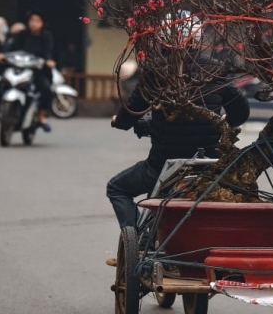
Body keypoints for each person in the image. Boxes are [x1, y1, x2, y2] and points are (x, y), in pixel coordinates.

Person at [106, 58, 251, 229]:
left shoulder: (158, 71)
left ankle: (138, 238)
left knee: (117, 188)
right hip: (208, 164)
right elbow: (241, 111)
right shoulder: (215, 68)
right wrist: (224, 121)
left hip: (162, 166)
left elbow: (131, 112)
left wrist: (119, 121)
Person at [5, 11, 56, 131]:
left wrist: (48, 60)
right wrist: (2, 55)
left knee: (46, 89)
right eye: (32, 20)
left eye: (37, 21)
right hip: (19, 68)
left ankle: (41, 116)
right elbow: (11, 48)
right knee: (2, 82)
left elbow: (48, 52)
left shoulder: (46, 36)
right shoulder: (22, 34)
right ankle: (1, 110)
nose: (34, 23)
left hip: (37, 70)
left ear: (43, 23)